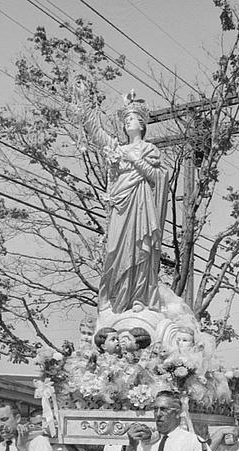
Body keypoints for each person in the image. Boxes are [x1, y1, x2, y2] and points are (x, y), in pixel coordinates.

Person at [73, 86, 169, 314]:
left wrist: (136, 160)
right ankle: (116, 298)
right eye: (126, 119)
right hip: (120, 205)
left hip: (141, 204)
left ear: (142, 125)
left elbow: (158, 178)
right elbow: (97, 135)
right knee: (115, 250)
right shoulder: (118, 149)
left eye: (133, 118)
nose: (128, 122)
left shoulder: (149, 149)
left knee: (139, 249)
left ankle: (138, 297)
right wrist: (86, 105)